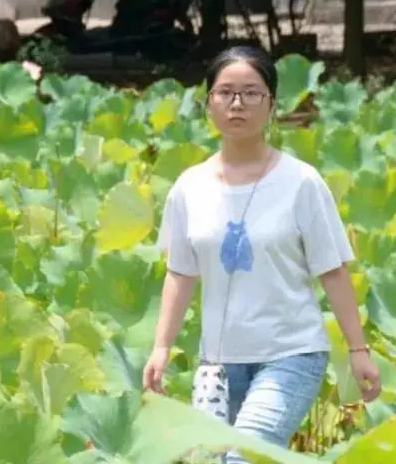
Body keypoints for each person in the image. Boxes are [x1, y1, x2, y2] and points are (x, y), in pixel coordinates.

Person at [142, 45, 381, 461]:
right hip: (216, 364)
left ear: (272, 105)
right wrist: (161, 347)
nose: (238, 104)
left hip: (291, 353)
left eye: (252, 93)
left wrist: (358, 351)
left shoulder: (301, 182)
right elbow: (180, 273)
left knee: (241, 459)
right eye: (225, 93)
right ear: (208, 104)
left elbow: (333, 271)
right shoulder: (189, 187)